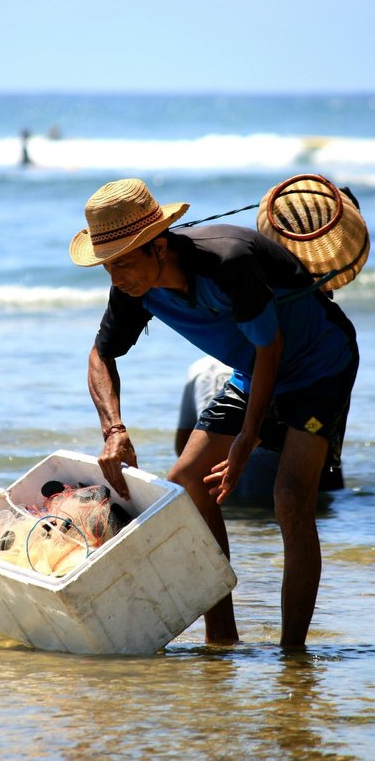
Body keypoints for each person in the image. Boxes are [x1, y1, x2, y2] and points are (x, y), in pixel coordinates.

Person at [69, 177, 359, 648]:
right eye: (107, 266)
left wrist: (247, 439)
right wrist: (113, 430)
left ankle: (293, 653)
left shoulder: (227, 263)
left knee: (289, 498)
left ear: (158, 246)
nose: (117, 276)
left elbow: (272, 347)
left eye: (123, 261)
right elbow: (101, 355)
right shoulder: (134, 287)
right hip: (255, 369)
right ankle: (221, 639)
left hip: (316, 366)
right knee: (186, 480)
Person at [176, 356, 345, 497]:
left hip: (225, 483)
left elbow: (183, 445)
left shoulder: (201, 368)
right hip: (292, 474)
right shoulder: (304, 360)